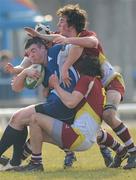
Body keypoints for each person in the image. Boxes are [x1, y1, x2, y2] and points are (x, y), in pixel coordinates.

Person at [27, 4, 136, 169]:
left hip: (110, 82)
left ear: (71, 24)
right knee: (82, 122)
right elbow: (53, 38)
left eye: (62, 21)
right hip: (93, 86)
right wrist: (38, 35)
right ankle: (118, 151)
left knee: (108, 114)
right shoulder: (65, 39)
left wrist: (66, 41)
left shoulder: (84, 36)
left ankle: (133, 153)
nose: (58, 24)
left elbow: (93, 42)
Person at [12, 55, 106, 172]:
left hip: (79, 137)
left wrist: (56, 85)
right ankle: (16, 163)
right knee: (39, 133)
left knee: (34, 118)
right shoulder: (97, 82)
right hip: (86, 137)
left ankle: (35, 164)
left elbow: (71, 102)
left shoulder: (85, 79)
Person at [0, 36, 79, 171]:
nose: (31, 56)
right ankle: (15, 162)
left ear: (44, 48)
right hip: (56, 106)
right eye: (29, 53)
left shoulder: (55, 52)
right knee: (18, 118)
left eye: (34, 51)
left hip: (65, 106)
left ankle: (15, 162)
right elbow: (16, 87)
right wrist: (25, 71)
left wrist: (65, 67)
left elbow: (78, 46)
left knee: (19, 117)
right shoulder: (37, 66)